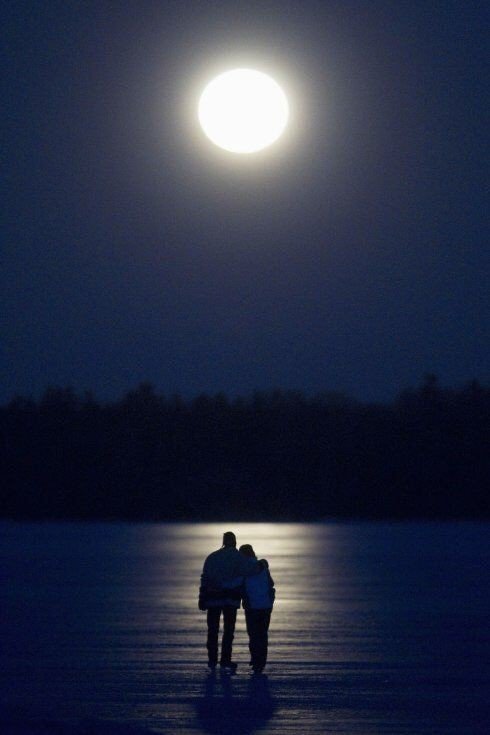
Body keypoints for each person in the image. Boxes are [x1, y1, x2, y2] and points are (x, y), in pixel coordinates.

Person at [199, 531, 263, 670]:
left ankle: (212, 660)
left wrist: (202, 597)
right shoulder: (239, 558)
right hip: (230, 600)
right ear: (234, 542)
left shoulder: (212, 557)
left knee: (212, 630)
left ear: (223, 541)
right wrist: (262, 564)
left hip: (213, 599)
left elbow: (205, 578)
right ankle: (225, 660)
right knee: (228, 631)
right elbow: (250, 570)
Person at [239, 543, 275, 674]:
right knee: (263, 634)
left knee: (253, 635)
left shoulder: (243, 569)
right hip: (265, 605)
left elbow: (240, 587)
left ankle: (255, 660)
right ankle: (261, 661)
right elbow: (271, 583)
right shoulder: (263, 567)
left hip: (252, 607)